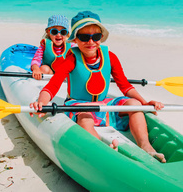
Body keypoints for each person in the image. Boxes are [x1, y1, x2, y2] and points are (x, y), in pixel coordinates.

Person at [30, 11, 166, 163]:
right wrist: (42, 102)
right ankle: (104, 150)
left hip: (104, 105)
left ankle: (145, 146)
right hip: (80, 106)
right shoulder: (71, 59)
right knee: (85, 119)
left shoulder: (110, 57)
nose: (90, 41)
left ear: (101, 37)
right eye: (84, 37)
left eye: (95, 37)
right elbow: (53, 86)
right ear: (75, 39)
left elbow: (125, 86)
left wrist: (144, 103)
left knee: (134, 104)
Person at [31, 14, 72, 80]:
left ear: (67, 33)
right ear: (48, 32)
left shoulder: (71, 45)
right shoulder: (44, 45)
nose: (59, 35)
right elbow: (36, 60)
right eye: (54, 31)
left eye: (63, 32)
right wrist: (36, 69)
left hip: (65, 74)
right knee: (44, 68)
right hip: (49, 74)